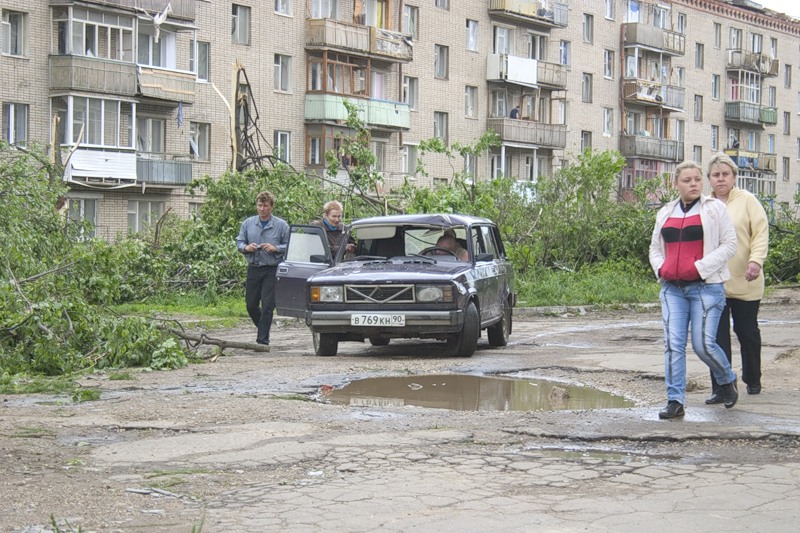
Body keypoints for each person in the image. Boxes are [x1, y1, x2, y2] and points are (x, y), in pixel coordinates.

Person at [649, 160, 739, 419]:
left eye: (697, 180)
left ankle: (726, 378)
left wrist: (699, 268)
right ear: (676, 184)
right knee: (673, 345)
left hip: (706, 288)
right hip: (672, 289)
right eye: (687, 180)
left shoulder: (715, 209)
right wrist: (661, 268)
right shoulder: (666, 212)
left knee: (703, 346)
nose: (693, 184)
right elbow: (655, 248)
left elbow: (729, 245)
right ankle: (675, 401)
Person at [705, 152, 769, 402]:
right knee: (715, 338)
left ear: (734, 177)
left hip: (746, 278)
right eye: (715, 175)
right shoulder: (704, 204)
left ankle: (753, 379)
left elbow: (760, 234)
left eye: (725, 174)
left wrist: (756, 261)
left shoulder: (748, 201)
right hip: (714, 283)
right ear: (709, 179)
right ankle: (721, 387)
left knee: (747, 332)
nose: (720, 179)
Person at [236, 191, 289, 346]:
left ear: (272, 207)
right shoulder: (248, 223)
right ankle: (263, 327)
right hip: (254, 266)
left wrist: (275, 248)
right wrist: (246, 247)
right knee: (251, 304)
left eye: (265, 206)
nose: (262, 209)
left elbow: (289, 245)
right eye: (260, 205)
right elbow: (239, 242)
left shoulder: (281, 225)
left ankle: (262, 341)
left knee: (267, 305)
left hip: (272, 269)